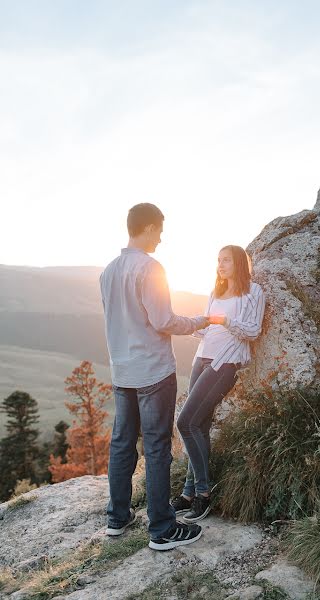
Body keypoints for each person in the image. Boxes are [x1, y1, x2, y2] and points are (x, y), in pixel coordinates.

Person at [100, 203, 209, 550]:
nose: (161, 237)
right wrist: (196, 322)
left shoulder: (108, 271)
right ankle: (162, 529)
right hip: (153, 371)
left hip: (122, 371)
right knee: (157, 447)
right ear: (147, 227)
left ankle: (117, 518)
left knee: (121, 444)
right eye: (159, 229)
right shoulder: (150, 268)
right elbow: (163, 321)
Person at [174, 245, 266, 522]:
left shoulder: (253, 292)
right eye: (218, 260)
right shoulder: (216, 292)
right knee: (198, 425)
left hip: (225, 364)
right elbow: (207, 327)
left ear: (239, 263)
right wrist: (186, 324)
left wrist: (224, 320)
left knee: (185, 422)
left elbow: (252, 330)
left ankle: (203, 494)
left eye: (226, 260)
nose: (220, 265)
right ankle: (188, 494)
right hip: (201, 359)